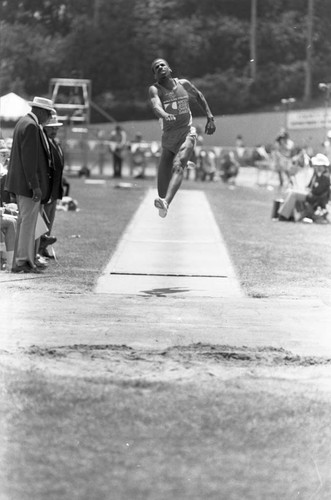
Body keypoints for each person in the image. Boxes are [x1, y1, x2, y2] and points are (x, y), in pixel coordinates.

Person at [149, 58, 216, 217]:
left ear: (169, 68)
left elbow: (198, 96)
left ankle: (166, 203)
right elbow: (156, 106)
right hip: (168, 138)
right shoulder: (155, 89)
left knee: (178, 165)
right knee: (161, 190)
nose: (160, 67)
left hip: (187, 132)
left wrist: (210, 117)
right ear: (155, 75)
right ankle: (165, 196)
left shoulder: (184, 84)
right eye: (156, 67)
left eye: (162, 65)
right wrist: (166, 115)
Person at [5, 96, 54, 273]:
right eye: (48, 114)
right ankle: (22, 261)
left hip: (21, 183)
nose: (49, 118)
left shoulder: (23, 123)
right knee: (27, 223)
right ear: (40, 111)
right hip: (27, 185)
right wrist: (35, 185)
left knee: (26, 222)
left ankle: (22, 260)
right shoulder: (32, 126)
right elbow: (29, 160)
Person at [278, 153, 330, 222]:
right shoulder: (317, 175)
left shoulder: (325, 177)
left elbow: (317, 192)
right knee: (290, 191)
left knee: (294, 194)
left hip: (316, 199)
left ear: (322, 166)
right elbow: (309, 186)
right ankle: (290, 216)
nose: (315, 167)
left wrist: (308, 191)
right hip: (312, 196)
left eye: (317, 165)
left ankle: (283, 216)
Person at [41, 111, 66, 258]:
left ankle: (43, 248)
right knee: (43, 221)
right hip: (47, 189)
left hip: (55, 189)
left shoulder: (56, 143)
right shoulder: (44, 143)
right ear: (45, 128)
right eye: (51, 128)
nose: (54, 131)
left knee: (50, 221)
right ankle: (38, 248)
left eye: (56, 128)